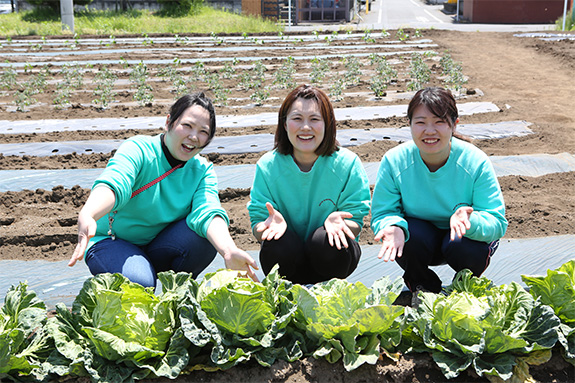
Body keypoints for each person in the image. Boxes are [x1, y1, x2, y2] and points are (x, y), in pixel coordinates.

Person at [68, 92, 258, 287]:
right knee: (139, 282)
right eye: (187, 125)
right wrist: (89, 213)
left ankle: (173, 297)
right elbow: (116, 183)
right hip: (113, 240)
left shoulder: (202, 170)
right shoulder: (139, 149)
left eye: (203, 131)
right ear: (169, 122)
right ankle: (124, 280)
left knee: (204, 238)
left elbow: (208, 211)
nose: (193, 137)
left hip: (158, 244)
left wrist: (228, 250)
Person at [371, 86, 508, 295]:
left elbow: (497, 222)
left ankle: (464, 289)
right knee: (406, 235)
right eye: (420, 122)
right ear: (409, 125)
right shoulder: (395, 161)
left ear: (454, 124)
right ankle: (423, 289)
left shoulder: (474, 161)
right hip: (423, 240)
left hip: (461, 242)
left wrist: (470, 222)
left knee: (462, 243)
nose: (429, 131)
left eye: (439, 122)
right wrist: (392, 225)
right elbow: (383, 212)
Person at [247, 84, 371, 284]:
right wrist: (267, 229)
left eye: (314, 119)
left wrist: (340, 224)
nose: (305, 127)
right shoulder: (268, 166)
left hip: (330, 259)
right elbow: (258, 223)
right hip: (289, 261)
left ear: (327, 123)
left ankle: (329, 292)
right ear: (285, 124)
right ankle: (288, 289)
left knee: (327, 242)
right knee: (277, 243)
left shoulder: (347, 164)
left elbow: (355, 221)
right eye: (297, 119)